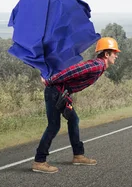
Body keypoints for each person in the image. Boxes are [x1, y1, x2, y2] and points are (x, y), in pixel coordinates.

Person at [32, 37, 121, 173]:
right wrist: (50, 81)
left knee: (74, 119)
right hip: (55, 91)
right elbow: (73, 71)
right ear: (107, 54)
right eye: (115, 52)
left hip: (61, 93)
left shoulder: (100, 66)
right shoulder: (97, 65)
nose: (117, 55)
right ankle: (39, 161)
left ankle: (78, 156)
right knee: (54, 126)